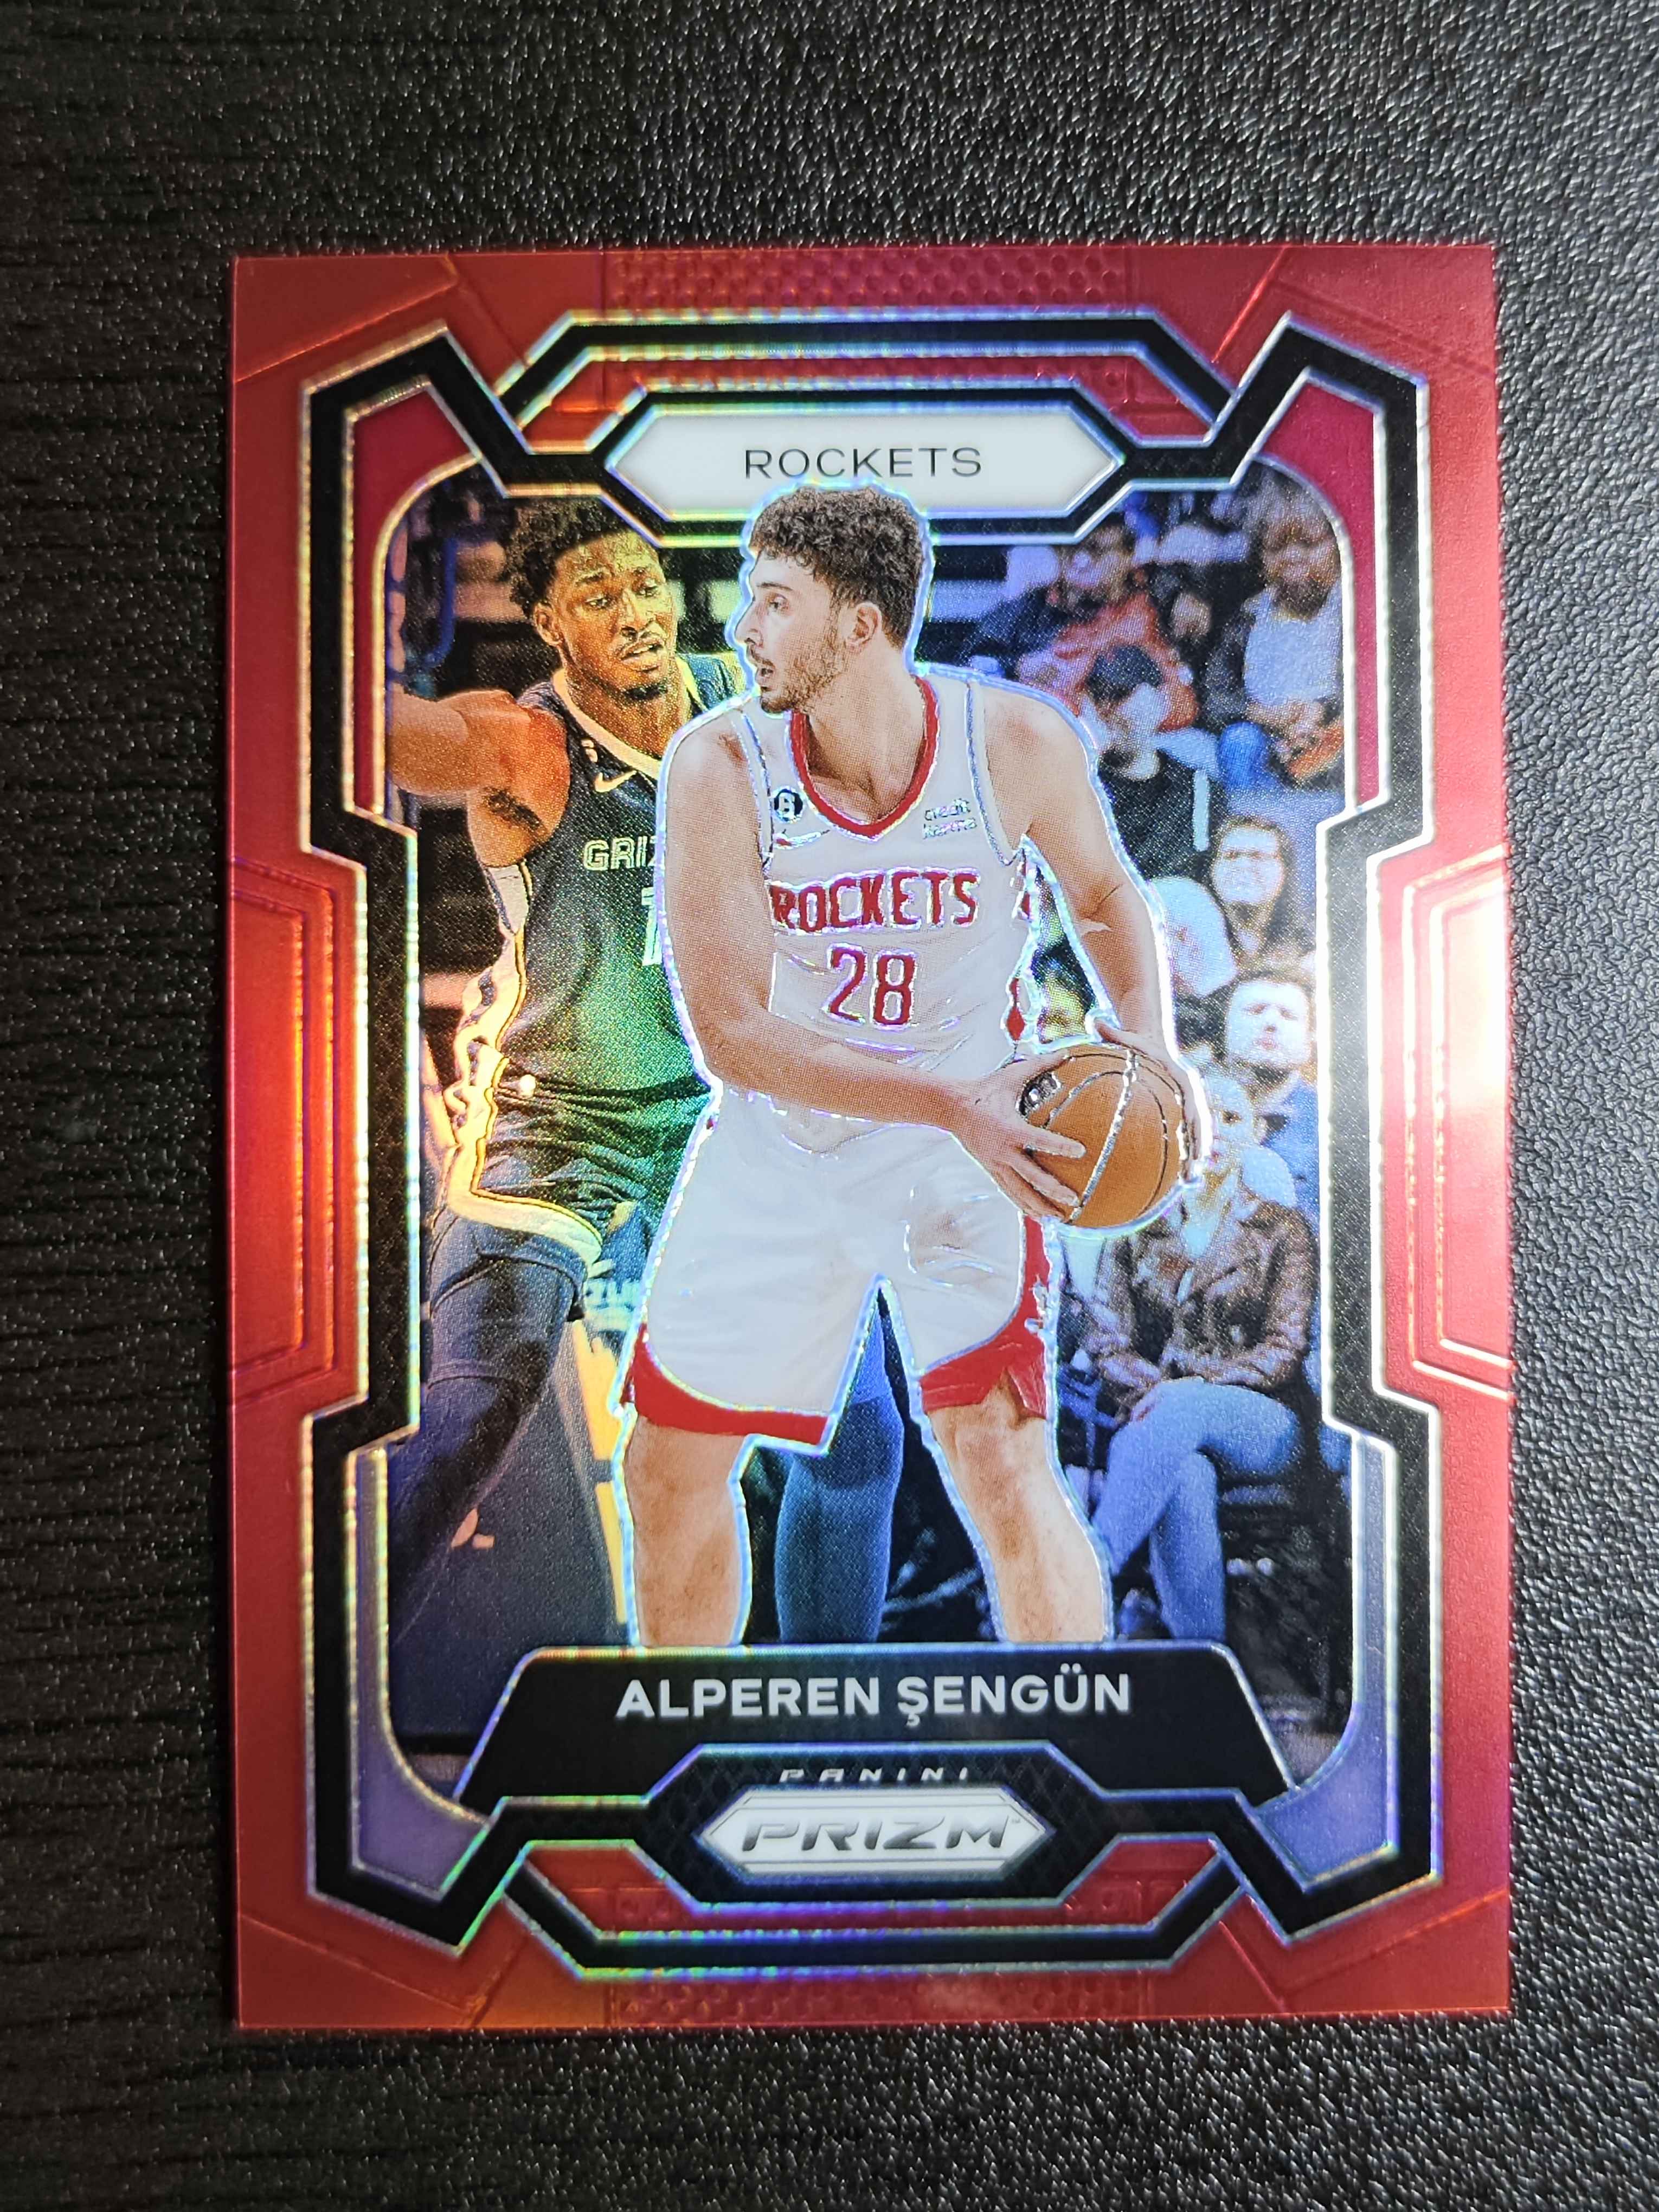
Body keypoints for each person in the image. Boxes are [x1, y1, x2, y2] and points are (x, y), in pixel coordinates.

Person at [619, 484, 1198, 1647]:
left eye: (775, 604)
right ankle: (682, 1731)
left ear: (860, 625)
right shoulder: (719, 764)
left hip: (972, 1154)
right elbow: (732, 1037)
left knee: (1002, 1459)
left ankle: (1071, 1723)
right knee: (670, 1467)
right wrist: (951, 1102)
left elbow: (1101, 890)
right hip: (789, 1144)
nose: (743, 630)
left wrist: (1147, 1035)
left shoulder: (1014, 741)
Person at [383, 497, 907, 1643]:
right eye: (595, 595)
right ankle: (321, 1683)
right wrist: (323, 620)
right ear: (548, 626)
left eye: (641, 583)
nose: (630, 612)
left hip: (729, 1110)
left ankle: (821, 1713)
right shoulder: (524, 746)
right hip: (558, 1115)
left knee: (857, 1440)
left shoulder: (750, 698)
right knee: (474, 1414)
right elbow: (383, 739)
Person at [1077, 1070, 1317, 1640]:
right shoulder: (1135, 1227)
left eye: (1230, 1118)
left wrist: (1191, 1386)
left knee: (1180, 1413)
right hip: (1158, 1418)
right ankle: (1201, 1652)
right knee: (1184, 1471)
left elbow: (1283, 1350)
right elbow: (1106, 1340)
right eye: (1198, 1116)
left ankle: (1083, 1581)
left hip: (1261, 1424)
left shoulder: (1282, 1231)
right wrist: (1162, 1392)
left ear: (1256, 1133)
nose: (1212, 1132)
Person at [965, 516, 1198, 732]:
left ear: (1128, 555)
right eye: (1071, 548)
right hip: (1044, 732)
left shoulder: (1156, 604)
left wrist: (1158, 707)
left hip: (1138, 736)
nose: (1080, 561)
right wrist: (1016, 666)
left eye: (1096, 550)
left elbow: (1185, 701)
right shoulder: (1028, 609)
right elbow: (969, 663)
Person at [1208, 510, 1345, 794]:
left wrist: (1321, 711)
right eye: (1278, 547)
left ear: (1337, 547)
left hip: (1333, 733)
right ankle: (1250, 819)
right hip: (1264, 735)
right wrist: (1265, 716)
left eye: (1308, 544)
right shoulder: (1247, 618)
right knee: (1239, 743)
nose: (1292, 557)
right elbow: (1215, 696)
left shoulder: (1353, 610)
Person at [1079, 646, 1214, 882]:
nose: (1107, 710)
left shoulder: (1197, 788)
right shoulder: (1079, 785)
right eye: (1098, 697)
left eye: (1120, 695)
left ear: (1160, 701)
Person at [1223, 972, 1319, 1220]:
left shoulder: (1329, 1126)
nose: (1270, 1023)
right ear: (1225, 1025)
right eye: (1255, 1010)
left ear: (1310, 1039)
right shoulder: (1183, 1105)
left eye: (1288, 1015)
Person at [1206, 815, 1313, 982]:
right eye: (1231, 856)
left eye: (1258, 856)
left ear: (1285, 871)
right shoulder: (1190, 946)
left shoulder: (1310, 951)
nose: (1244, 866)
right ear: (1212, 869)